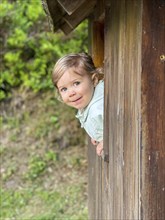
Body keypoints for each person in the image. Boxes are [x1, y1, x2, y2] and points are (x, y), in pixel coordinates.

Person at [52, 52, 104, 157]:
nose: (71, 93)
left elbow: (121, 127)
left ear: (94, 80)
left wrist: (105, 142)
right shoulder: (90, 102)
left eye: (76, 83)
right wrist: (98, 134)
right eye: (64, 89)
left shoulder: (97, 111)